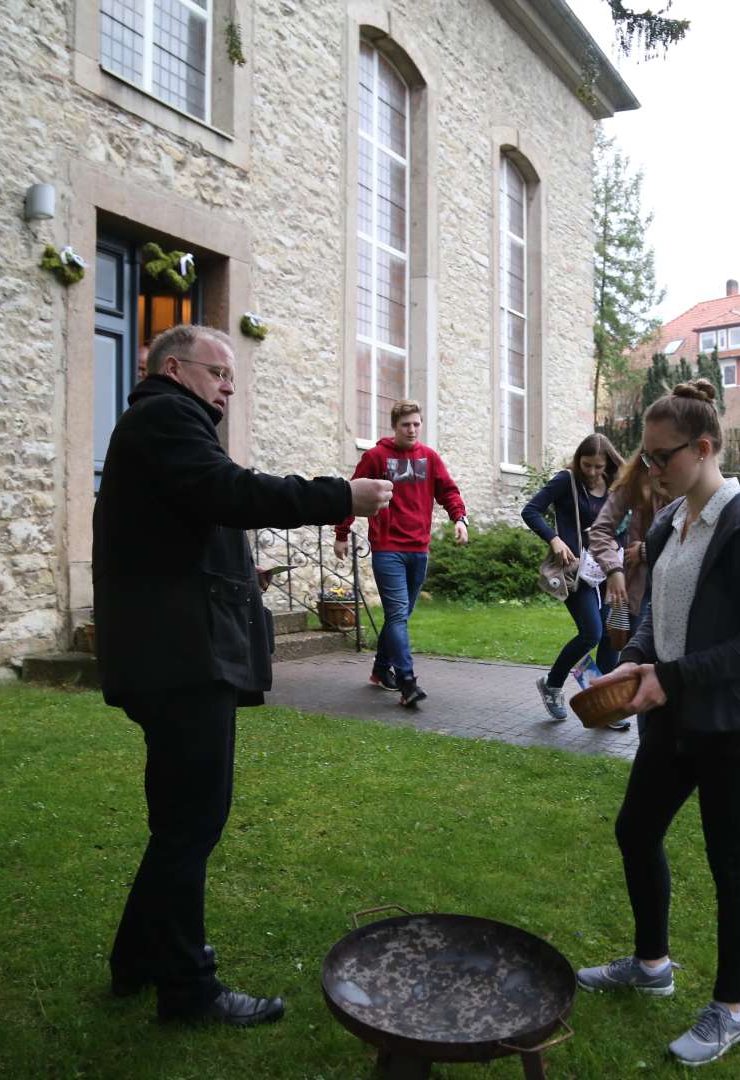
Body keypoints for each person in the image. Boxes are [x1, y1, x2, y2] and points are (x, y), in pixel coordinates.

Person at [94, 323, 392, 1026]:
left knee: (180, 821)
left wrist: (232, 564)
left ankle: (137, 959)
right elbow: (229, 491)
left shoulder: (163, 424)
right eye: (218, 372)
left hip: (174, 651)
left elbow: (185, 523)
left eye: (233, 375)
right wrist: (339, 497)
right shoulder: (166, 415)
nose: (229, 385)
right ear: (173, 367)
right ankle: (189, 991)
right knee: (191, 823)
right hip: (180, 659)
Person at [575, 380, 740, 1067]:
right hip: (671, 714)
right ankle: (652, 965)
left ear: (702, 449)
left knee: (729, 862)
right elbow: (655, 615)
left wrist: (670, 676)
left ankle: (730, 1009)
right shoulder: (671, 521)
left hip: (732, 725)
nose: (649, 471)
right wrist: (633, 661)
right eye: (643, 456)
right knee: (635, 830)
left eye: (660, 457)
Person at [334, 400, 467, 708]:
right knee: (397, 615)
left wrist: (459, 518)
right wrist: (342, 534)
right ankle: (407, 682)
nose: (412, 429)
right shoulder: (376, 457)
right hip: (388, 548)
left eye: (416, 424)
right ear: (394, 426)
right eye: (406, 424)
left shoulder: (429, 457)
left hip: (419, 549)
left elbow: (448, 490)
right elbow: (352, 493)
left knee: (400, 616)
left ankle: (381, 670)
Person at [522, 433, 625, 724]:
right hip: (575, 570)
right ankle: (552, 685)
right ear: (579, 460)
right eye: (587, 465)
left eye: (598, 466)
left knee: (609, 637)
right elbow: (531, 511)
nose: (592, 472)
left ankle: (604, 704)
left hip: (607, 570)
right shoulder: (566, 481)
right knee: (590, 632)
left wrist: (620, 544)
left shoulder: (616, 486)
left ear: (608, 464)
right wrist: (554, 539)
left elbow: (624, 523)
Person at [587, 440, 668, 657]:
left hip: (669, 587)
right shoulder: (630, 485)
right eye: (648, 460)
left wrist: (645, 550)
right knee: (625, 647)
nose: (655, 470)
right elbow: (600, 530)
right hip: (637, 587)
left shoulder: (686, 487)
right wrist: (613, 569)